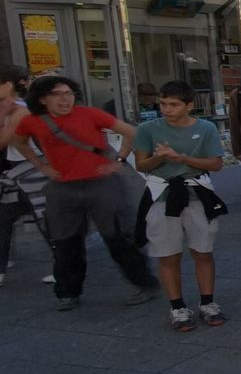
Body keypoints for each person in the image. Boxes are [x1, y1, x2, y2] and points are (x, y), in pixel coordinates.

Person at [11, 75, 158, 310]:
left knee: (117, 237)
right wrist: (41, 166)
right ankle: (68, 293)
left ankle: (143, 283)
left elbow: (132, 132)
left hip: (101, 184)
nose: (64, 99)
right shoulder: (33, 121)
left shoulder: (90, 114)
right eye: (57, 95)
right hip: (63, 187)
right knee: (65, 241)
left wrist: (118, 160)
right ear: (42, 99)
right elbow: (20, 142)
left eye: (68, 94)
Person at [132, 80, 228, 333]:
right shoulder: (147, 129)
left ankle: (208, 302)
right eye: (163, 104)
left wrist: (182, 158)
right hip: (162, 193)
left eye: (173, 104)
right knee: (168, 253)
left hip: (196, 192)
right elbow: (140, 165)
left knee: (203, 250)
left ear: (189, 105)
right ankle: (177, 306)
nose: (167, 109)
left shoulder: (206, 128)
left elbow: (216, 163)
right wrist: (159, 157)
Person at [0, 65, 53, 287]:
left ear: (9, 85)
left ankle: (66, 264)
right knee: (4, 219)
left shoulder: (21, 111)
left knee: (46, 219)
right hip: (17, 171)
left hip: (30, 171)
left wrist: (3, 114)